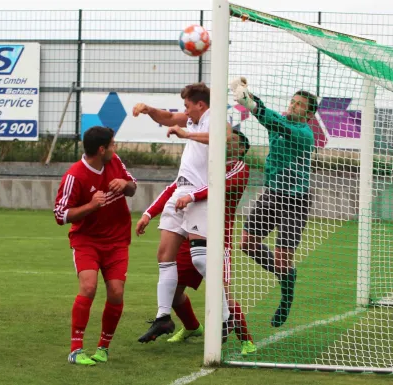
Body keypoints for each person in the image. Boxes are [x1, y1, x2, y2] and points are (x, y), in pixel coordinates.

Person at [136, 129, 257, 355]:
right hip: (188, 233)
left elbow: (214, 187)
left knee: (221, 291)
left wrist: (190, 196)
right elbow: (173, 188)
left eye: (232, 141)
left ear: (241, 149)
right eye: (225, 139)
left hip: (217, 238)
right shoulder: (203, 166)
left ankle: (246, 340)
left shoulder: (239, 168)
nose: (226, 143)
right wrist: (148, 214)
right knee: (172, 290)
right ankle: (192, 328)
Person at [132, 83, 235, 342]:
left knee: (201, 260)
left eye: (188, 106)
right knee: (164, 255)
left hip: (200, 195)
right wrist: (147, 109)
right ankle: (163, 317)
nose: (185, 112)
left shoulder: (216, 118)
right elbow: (166, 118)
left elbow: (223, 137)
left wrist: (187, 134)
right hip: (180, 192)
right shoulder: (192, 119)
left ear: (201, 104)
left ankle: (225, 318)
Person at [230, 77, 316, 327]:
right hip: (272, 194)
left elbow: (274, 122)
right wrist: (246, 92)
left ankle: (286, 291)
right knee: (247, 243)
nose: (293, 105)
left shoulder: (303, 134)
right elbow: (266, 115)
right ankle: (286, 274)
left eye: (300, 105)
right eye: (293, 101)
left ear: (308, 114)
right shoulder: (279, 121)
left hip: (296, 199)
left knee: (281, 259)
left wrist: (250, 104)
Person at [53, 126, 137, 366]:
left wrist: (125, 183)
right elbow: (60, 215)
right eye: (113, 144)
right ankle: (76, 349)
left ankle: (103, 347)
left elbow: (133, 187)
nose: (116, 148)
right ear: (102, 150)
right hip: (86, 240)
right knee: (88, 287)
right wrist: (91, 206)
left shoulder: (115, 162)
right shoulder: (74, 176)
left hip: (117, 239)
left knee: (116, 292)